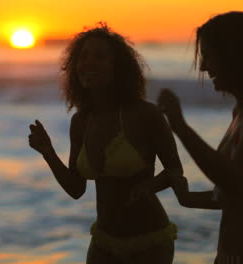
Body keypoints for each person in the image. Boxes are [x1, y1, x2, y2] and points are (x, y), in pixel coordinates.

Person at [28, 23, 183, 264]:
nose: (88, 63)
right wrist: (47, 152)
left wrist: (148, 187)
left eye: (100, 56)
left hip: (150, 241)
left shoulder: (144, 114)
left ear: (118, 67)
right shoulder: (81, 121)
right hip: (104, 242)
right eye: (83, 57)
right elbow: (76, 189)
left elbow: (175, 170)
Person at [158, 11, 243, 264]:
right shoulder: (239, 111)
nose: (204, 67)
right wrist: (188, 199)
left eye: (208, 56)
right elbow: (237, 197)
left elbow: (235, 182)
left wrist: (180, 126)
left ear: (235, 55)